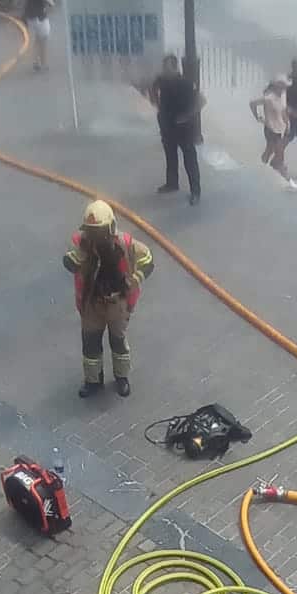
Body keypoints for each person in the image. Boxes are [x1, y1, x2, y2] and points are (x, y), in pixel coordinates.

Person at [62, 200, 154, 400]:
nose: (96, 236)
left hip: (116, 303)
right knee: (90, 345)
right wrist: (80, 256)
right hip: (91, 304)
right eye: (92, 232)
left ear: (111, 228)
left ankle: (122, 378)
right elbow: (70, 261)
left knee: (118, 342)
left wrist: (134, 281)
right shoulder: (81, 243)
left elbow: (147, 260)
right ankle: (93, 381)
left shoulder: (125, 243)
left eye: (100, 231)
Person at [151, 55, 201, 206]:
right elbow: (153, 88)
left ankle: (195, 191)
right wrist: (157, 104)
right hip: (167, 126)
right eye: (163, 68)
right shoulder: (162, 80)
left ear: (174, 67)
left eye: (167, 68)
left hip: (184, 128)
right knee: (170, 156)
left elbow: (201, 102)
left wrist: (187, 116)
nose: (164, 71)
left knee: (189, 159)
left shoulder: (185, 83)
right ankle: (172, 184)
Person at [250, 77, 291, 180]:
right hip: (270, 129)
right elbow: (252, 103)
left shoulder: (282, 96)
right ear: (276, 87)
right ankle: (283, 175)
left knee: (270, 150)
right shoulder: (268, 98)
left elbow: (283, 111)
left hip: (280, 128)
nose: (284, 89)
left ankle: (262, 169)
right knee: (278, 151)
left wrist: (287, 124)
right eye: (282, 87)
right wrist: (257, 117)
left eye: (285, 87)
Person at [23, 0, 53, 72]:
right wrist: (51, 3)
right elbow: (50, 3)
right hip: (39, 16)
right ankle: (43, 63)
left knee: (37, 39)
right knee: (43, 40)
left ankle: (35, 62)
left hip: (30, 16)